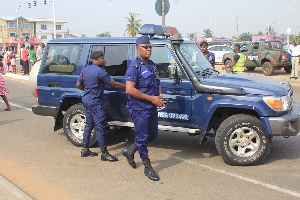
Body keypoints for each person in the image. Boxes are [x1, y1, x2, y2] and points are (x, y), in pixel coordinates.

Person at [122, 35, 164, 181]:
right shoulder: (134, 67)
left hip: (151, 107)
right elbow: (130, 90)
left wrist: (158, 96)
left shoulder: (152, 65)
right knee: (142, 137)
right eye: (145, 47)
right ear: (137, 49)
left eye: (150, 47)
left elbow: (156, 81)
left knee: (152, 135)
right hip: (139, 108)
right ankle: (147, 167)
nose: (149, 50)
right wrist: (151, 99)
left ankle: (129, 151)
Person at [76, 51, 125, 162]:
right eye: (102, 58)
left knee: (88, 124)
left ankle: (85, 149)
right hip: (95, 102)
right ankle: (104, 153)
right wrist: (127, 87)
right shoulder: (100, 72)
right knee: (100, 127)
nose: (105, 60)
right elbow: (114, 84)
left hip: (87, 100)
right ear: (96, 60)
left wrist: (88, 91)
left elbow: (78, 84)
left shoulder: (85, 69)